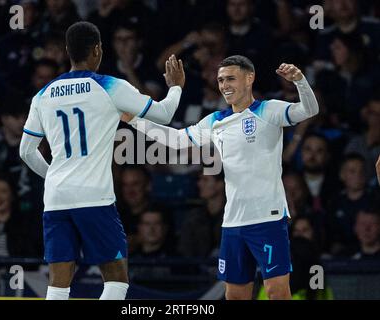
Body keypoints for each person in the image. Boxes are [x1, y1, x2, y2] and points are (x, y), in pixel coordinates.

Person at [122, 55, 319, 300]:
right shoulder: (216, 120)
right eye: (220, 80)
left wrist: (300, 81)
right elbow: (175, 139)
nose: (224, 85)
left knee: (277, 292)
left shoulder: (269, 110)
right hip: (233, 222)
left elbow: (310, 109)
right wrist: (134, 120)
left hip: (267, 219)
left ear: (250, 78)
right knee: (235, 295)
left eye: (230, 79)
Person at [19, 21, 185, 300]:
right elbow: (163, 115)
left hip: (57, 197)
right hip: (94, 197)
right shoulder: (110, 86)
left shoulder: (43, 94)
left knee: (58, 283)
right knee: (117, 279)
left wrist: (54, 177)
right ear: (97, 50)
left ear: (67, 51)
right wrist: (176, 87)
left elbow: (26, 151)